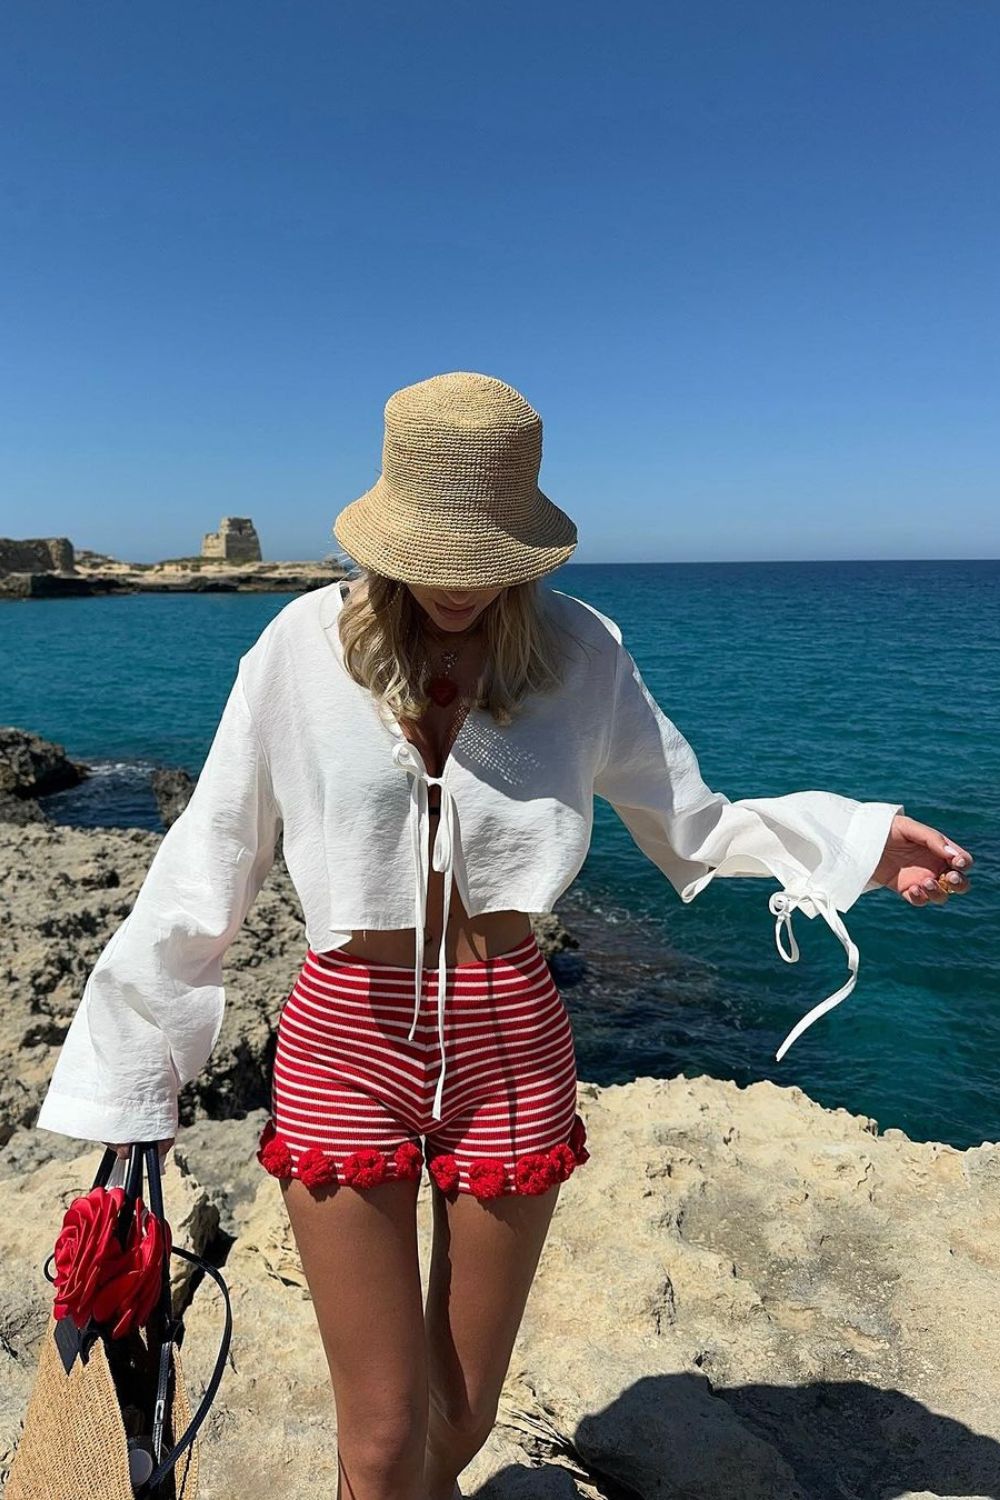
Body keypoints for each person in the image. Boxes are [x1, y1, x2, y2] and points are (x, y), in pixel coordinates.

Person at [36, 371, 973, 1500]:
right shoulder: (297, 646)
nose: (459, 584)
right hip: (346, 1034)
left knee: (459, 1416)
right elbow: (210, 853)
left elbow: (690, 818)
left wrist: (862, 844)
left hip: (512, 1039)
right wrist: (138, 1082)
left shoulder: (582, 651)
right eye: (435, 553)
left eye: (488, 559)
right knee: (380, 1438)